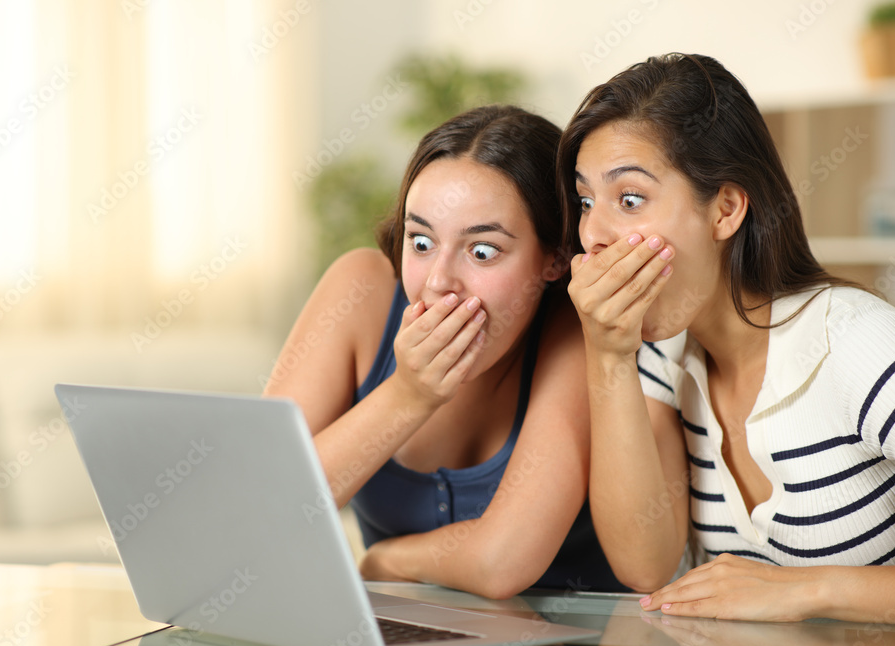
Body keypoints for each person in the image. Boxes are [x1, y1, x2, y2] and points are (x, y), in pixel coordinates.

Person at [561, 52, 895, 622]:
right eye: (585, 202)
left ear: (725, 208)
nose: (593, 235)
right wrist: (608, 356)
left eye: (629, 199)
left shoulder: (861, 346)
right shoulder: (658, 355)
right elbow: (644, 566)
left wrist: (808, 591)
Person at [264, 104, 625, 598]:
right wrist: (408, 395)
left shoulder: (576, 330)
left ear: (556, 258)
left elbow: (503, 561)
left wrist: (386, 560)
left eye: (482, 252)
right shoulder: (360, 291)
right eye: (420, 241)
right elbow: (262, 511)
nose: (437, 284)